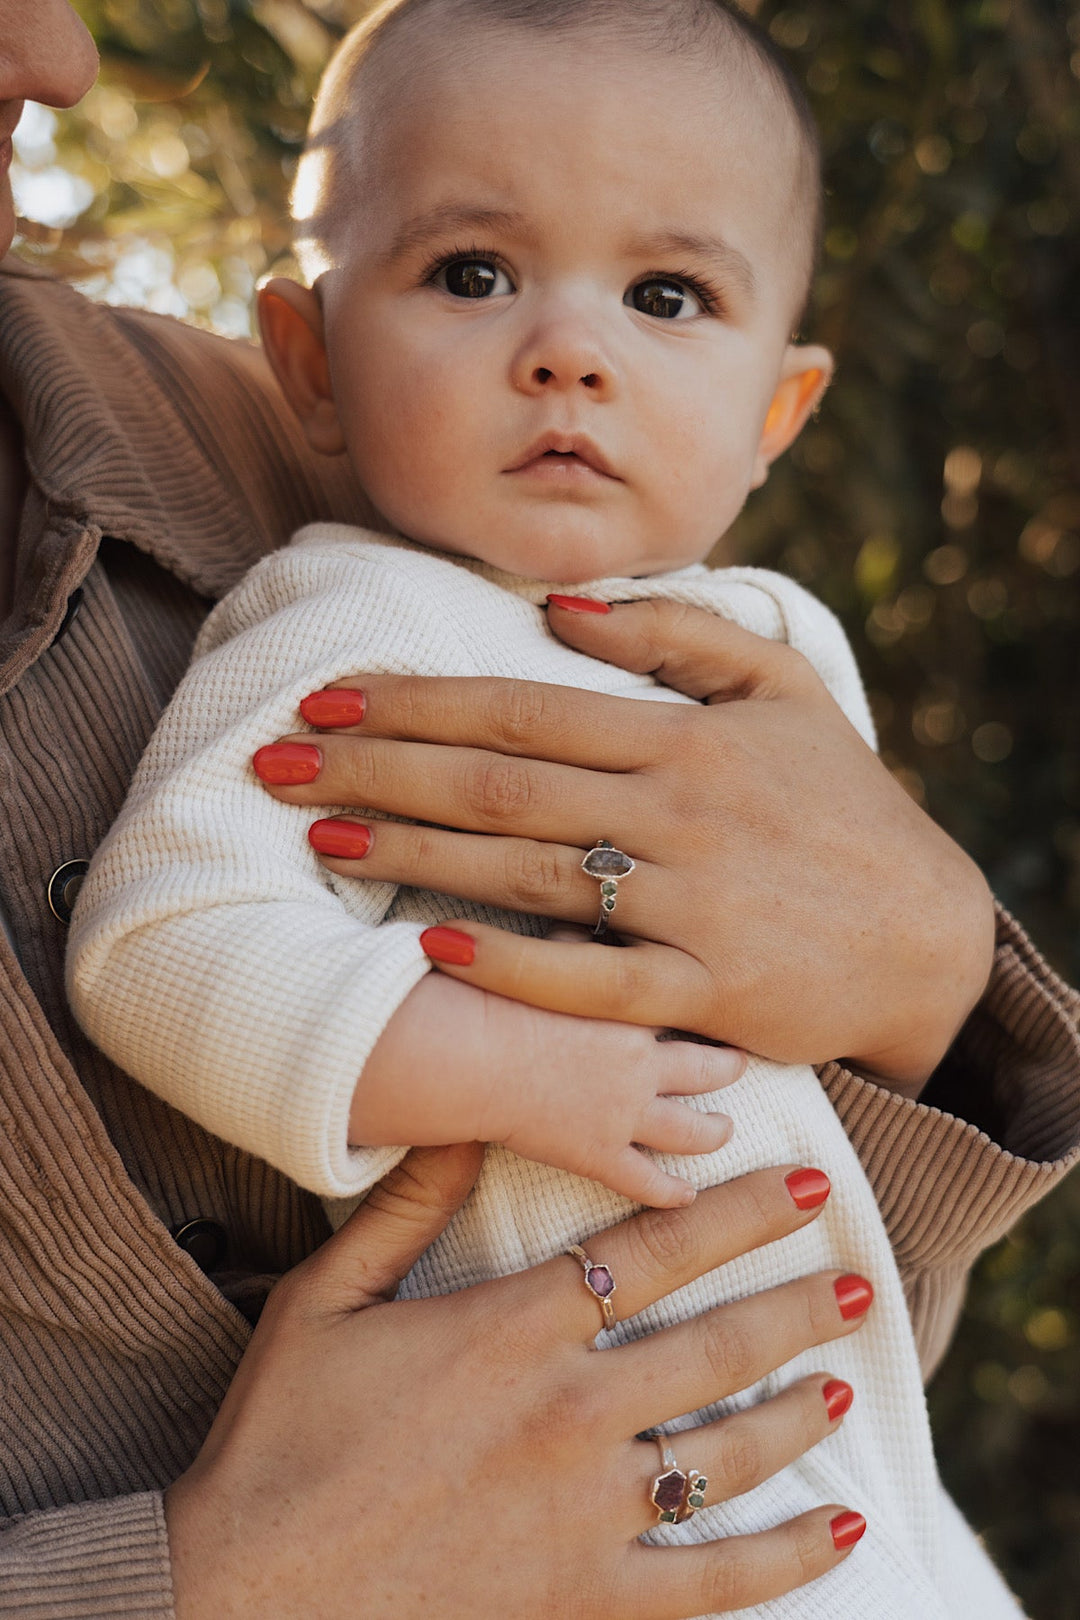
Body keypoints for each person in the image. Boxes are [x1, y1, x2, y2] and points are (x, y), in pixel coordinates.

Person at [1, 2, 1077, 1616]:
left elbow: (850, 1103)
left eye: (666, 295)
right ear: (306, 364)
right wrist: (501, 1066)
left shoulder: (787, 656)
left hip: (846, 1467)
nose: (568, 349)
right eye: (472, 274)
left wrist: (922, 978)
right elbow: (164, 941)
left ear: (778, 415)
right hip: (562, 1470)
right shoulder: (338, 624)